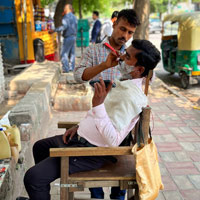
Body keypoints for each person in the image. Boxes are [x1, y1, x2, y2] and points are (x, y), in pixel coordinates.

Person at [16, 39, 161, 200]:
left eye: (127, 57)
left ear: (138, 69)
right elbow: (101, 115)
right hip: (79, 138)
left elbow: (113, 140)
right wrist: (79, 127)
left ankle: (39, 186)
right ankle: (41, 193)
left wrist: (97, 105)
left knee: (32, 178)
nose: (120, 57)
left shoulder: (131, 97)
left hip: (91, 152)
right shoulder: (124, 83)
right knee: (40, 147)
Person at [74, 8, 140, 199]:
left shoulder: (131, 56)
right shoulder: (94, 50)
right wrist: (104, 65)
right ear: (114, 23)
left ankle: (117, 196)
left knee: (119, 181)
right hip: (97, 123)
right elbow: (79, 76)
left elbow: (143, 82)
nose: (125, 35)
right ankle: (96, 195)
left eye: (130, 32)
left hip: (120, 124)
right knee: (95, 179)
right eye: (122, 29)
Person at [49, 4, 77, 73]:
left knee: (64, 53)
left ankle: (66, 69)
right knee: (72, 53)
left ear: (67, 9)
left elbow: (64, 27)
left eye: (64, 8)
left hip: (68, 37)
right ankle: (72, 68)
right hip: (73, 36)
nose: (64, 10)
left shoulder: (66, 17)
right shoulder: (74, 17)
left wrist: (54, 30)